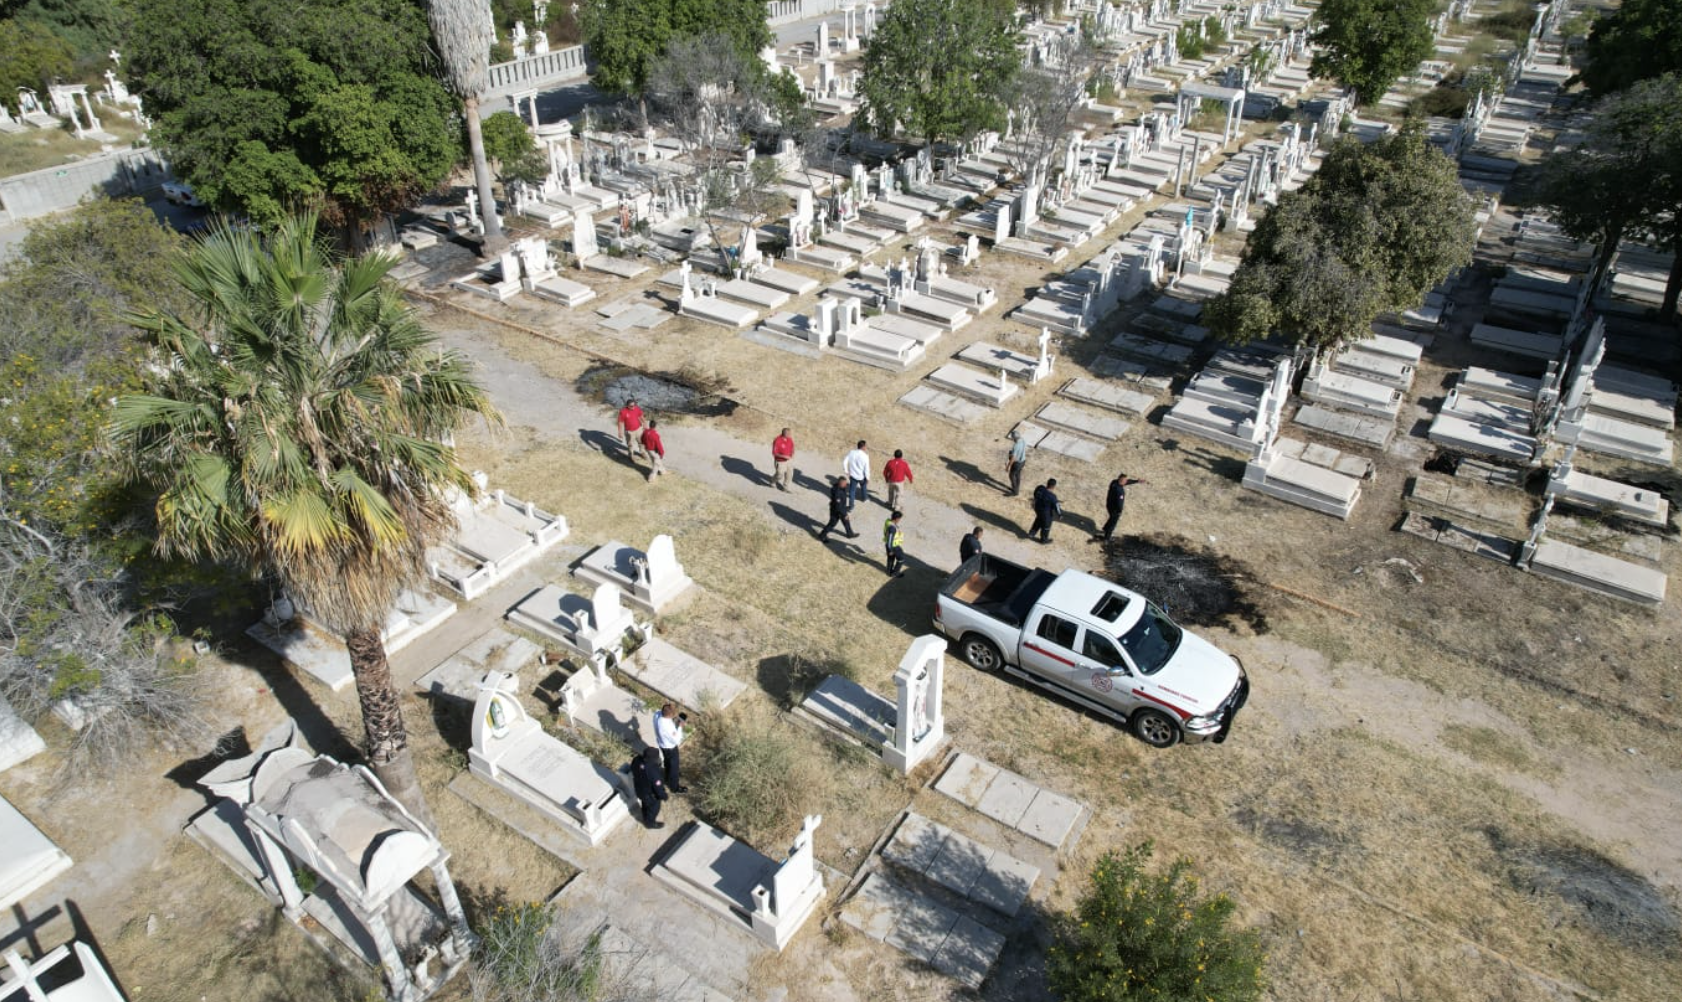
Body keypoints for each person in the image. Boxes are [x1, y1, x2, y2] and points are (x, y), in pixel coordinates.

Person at [1100, 472, 1147, 540]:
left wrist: (1137, 481)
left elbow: (1128, 481)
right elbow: (1120, 503)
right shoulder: (1119, 491)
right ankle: (1107, 538)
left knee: (1111, 518)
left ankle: (1105, 528)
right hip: (1115, 509)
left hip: (1109, 505)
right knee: (1113, 523)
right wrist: (1120, 510)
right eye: (1124, 480)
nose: (1126, 482)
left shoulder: (1114, 482)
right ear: (1121, 480)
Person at [630, 746, 668, 828]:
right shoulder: (653, 771)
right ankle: (650, 824)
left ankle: (645, 815)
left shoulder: (637, 760)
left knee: (645, 805)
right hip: (650, 795)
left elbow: (632, 768)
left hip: (639, 790)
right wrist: (664, 796)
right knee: (653, 810)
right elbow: (658, 788)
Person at [654, 703, 687, 792]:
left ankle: (667, 775)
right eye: (673, 715)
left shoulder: (657, 714)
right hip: (670, 748)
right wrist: (680, 727)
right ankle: (674, 787)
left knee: (667, 761)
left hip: (662, 744)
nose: (675, 716)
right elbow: (677, 740)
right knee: (674, 767)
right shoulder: (666, 727)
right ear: (669, 715)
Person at [817, 475, 857, 541]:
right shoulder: (837, 492)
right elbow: (838, 506)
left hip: (841, 508)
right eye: (844, 483)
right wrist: (844, 514)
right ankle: (822, 535)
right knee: (832, 523)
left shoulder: (840, 488)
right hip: (836, 510)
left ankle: (850, 534)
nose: (846, 485)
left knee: (846, 521)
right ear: (840, 483)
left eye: (846, 483)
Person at [1028, 478, 1061, 543]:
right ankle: (1044, 540)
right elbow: (1057, 506)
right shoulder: (1052, 496)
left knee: (1038, 520)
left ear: (1047, 483)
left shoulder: (1040, 488)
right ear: (1053, 486)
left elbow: (1035, 494)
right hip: (1046, 514)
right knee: (1046, 526)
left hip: (1037, 509)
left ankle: (1032, 533)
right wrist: (1060, 514)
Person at [843, 440, 871, 508]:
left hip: (853, 476)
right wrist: (868, 478)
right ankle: (865, 498)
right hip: (861, 476)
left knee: (852, 491)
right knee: (864, 487)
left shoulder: (851, 452)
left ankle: (851, 505)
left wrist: (846, 471)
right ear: (863, 447)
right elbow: (867, 469)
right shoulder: (865, 456)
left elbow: (844, 461)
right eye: (865, 446)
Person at [1005, 431, 1029, 496]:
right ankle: (1016, 488)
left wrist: (1008, 466)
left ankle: (1015, 491)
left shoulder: (1016, 446)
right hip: (1023, 461)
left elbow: (1013, 458)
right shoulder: (1023, 441)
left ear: (1014, 438)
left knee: (1011, 476)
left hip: (1017, 463)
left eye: (1012, 438)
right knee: (1018, 475)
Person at [883, 510, 906, 577]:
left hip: (887, 544)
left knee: (891, 559)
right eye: (899, 519)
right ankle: (895, 573)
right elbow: (890, 540)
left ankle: (889, 572)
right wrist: (891, 550)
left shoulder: (888, 521)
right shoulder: (892, 528)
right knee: (901, 558)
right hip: (894, 546)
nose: (899, 520)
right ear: (896, 519)